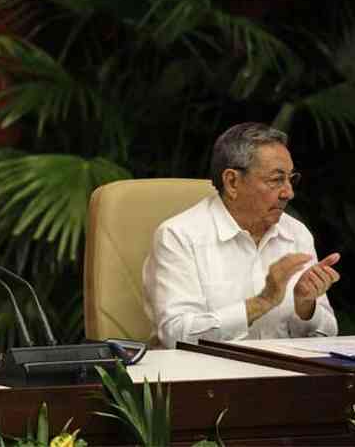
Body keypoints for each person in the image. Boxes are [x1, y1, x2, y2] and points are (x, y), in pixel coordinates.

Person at [143, 122, 339, 349]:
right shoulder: (179, 236)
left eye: (290, 179)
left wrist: (306, 306)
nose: (289, 192)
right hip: (209, 377)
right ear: (232, 182)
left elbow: (328, 334)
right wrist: (262, 302)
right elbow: (176, 334)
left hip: (284, 376)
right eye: (276, 180)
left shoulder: (296, 233)